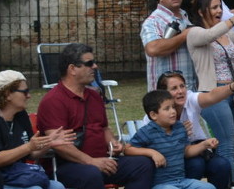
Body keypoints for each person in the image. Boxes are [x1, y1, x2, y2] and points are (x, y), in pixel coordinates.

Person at [36, 43, 155, 189]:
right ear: (72, 69)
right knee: (91, 174)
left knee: (142, 165)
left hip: (103, 161)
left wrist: (113, 143)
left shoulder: (94, 95)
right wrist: (91, 161)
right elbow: (59, 145)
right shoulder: (53, 100)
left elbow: (103, 127)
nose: (95, 66)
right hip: (70, 165)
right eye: (89, 63)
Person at [186, 0, 234, 169]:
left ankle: (222, 179)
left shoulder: (226, 33)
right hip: (213, 94)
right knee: (227, 144)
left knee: (227, 143)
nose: (219, 10)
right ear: (200, 12)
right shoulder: (194, 32)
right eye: (214, 7)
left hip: (233, 92)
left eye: (220, 6)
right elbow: (209, 36)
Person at [0, 70, 72, 189]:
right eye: (25, 92)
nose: (29, 96)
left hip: (17, 174)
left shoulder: (20, 115)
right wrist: (28, 147)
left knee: (58, 186)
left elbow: (31, 154)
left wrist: (49, 143)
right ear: (7, 94)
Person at [152, 71, 234, 189]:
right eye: (174, 88)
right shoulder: (156, 113)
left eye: (182, 86)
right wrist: (177, 133)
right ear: (164, 93)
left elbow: (211, 95)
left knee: (221, 164)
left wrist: (232, 87)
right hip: (173, 157)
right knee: (196, 164)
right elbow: (154, 145)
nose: (180, 91)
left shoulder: (190, 98)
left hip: (199, 148)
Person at [123, 91, 215, 189]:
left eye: (173, 107)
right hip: (159, 185)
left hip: (182, 181)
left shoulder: (180, 127)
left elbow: (186, 151)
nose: (173, 111)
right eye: (167, 108)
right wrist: (152, 152)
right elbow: (128, 149)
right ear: (154, 115)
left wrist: (204, 144)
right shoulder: (147, 131)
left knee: (209, 187)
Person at [141, 0, 198, 92]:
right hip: (165, 97)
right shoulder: (153, 21)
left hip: (190, 91)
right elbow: (152, 49)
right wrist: (184, 35)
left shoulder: (185, 17)